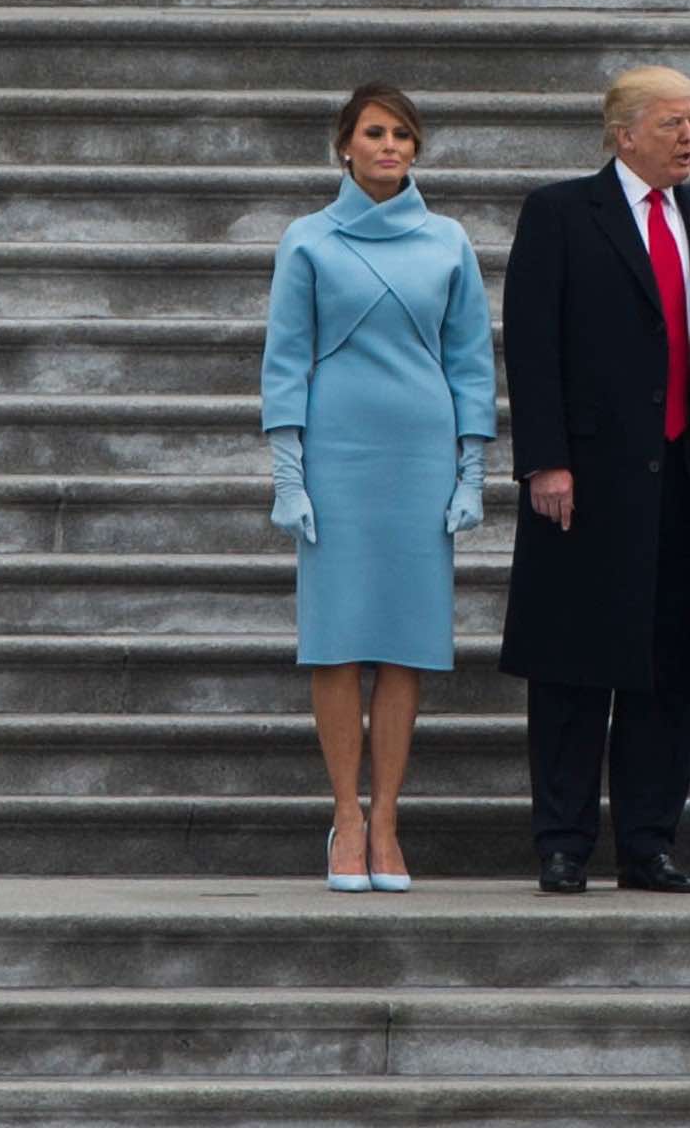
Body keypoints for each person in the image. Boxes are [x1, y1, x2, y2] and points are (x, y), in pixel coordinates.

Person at [499, 65, 690, 894]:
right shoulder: (559, 213)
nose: (688, 137)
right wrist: (545, 459)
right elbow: (531, 341)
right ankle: (563, 840)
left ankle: (649, 841)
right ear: (623, 134)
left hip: (687, 477)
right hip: (585, 481)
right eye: (670, 124)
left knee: (670, 668)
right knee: (574, 666)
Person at [260, 82, 496, 893]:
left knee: (405, 644)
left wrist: (474, 468)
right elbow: (286, 358)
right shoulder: (308, 241)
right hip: (338, 454)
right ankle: (346, 819)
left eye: (403, 133)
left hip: (420, 456)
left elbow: (470, 359)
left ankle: (387, 817)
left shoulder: (448, 241)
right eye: (374, 132)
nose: (389, 145)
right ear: (345, 146)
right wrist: (288, 474)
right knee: (337, 640)